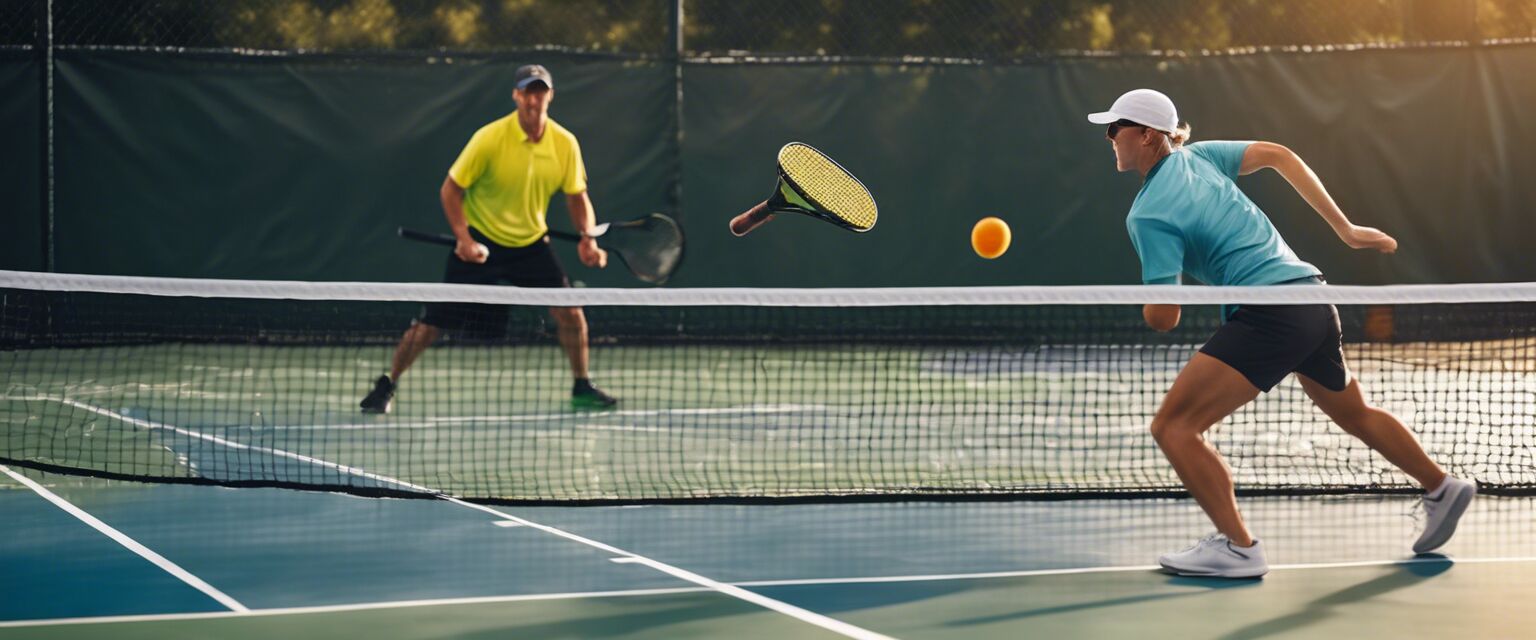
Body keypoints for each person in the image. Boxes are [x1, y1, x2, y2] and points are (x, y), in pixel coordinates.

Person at [1088, 89, 1475, 578]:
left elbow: (1165, 317)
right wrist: (1346, 229)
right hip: (1312, 298)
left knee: (1174, 427)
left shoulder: (1147, 214)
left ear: (1145, 135)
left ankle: (1239, 548)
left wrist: (1146, 293)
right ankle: (1441, 486)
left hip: (1269, 313)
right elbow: (1280, 155)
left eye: (1114, 127)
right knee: (1354, 413)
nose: (1108, 137)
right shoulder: (1202, 156)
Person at [361, 64, 618, 413]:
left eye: (540, 91)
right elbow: (451, 190)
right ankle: (388, 384)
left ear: (550, 96)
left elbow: (577, 196)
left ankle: (581, 385)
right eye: (528, 91)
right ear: (516, 95)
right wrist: (464, 239)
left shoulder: (564, 143)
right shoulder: (489, 138)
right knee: (433, 323)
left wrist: (587, 238)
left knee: (571, 313)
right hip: (480, 244)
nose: (534, 99)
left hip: (531, 244)